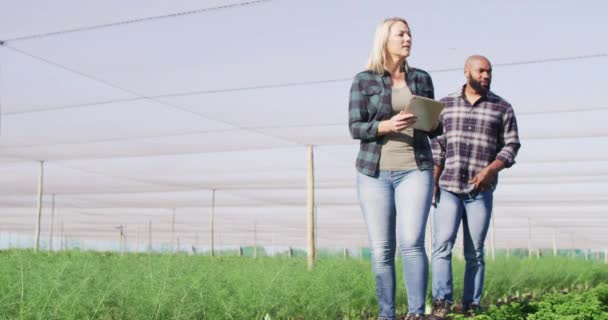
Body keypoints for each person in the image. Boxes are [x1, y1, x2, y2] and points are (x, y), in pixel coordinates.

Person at [348, 17, 442, 320]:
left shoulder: (422, 79)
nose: (407, 38)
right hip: (373, 173)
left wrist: (434, 122)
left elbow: (433, 128)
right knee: (382, 250)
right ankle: (386, 315)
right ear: (384, 40)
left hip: (415, 168)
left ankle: (416, 314)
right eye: (400, 34)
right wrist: (385, 125)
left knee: (412, 243)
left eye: (409, 34)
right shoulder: (364, 80)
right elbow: (355, 127)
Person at [429, 55, 521, 319]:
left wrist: (491, 170)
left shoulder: (502, 107)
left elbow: (511, 145)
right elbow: (438, 146)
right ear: (466, 72)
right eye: (481, 71)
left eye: (489, 71)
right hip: (448, 186)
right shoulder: (445, 104)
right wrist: (433, 181)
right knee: (442, 245)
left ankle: (471, 306)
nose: (486, 76)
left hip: (480, 191)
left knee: (475, 252)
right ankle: (441, 303)